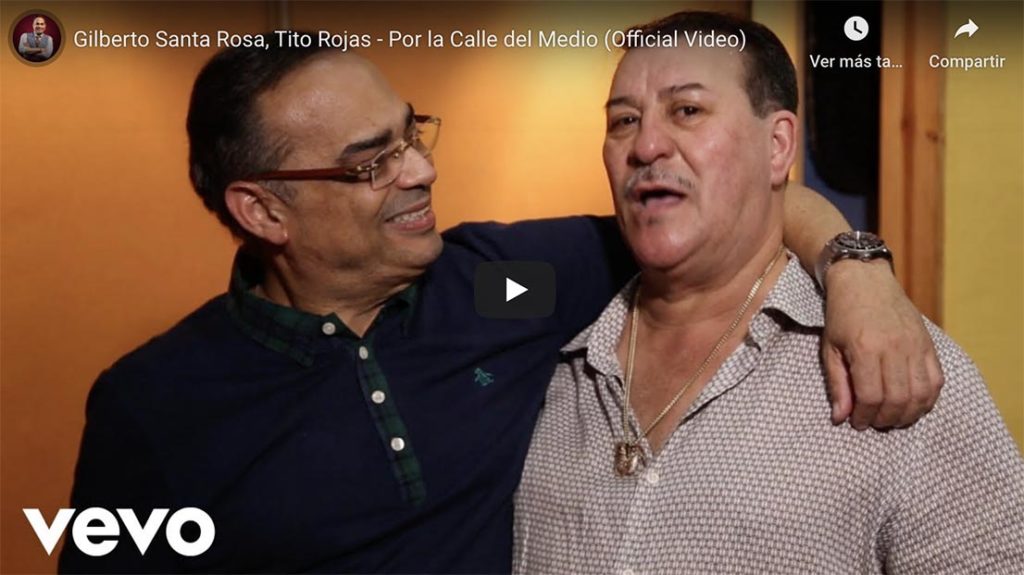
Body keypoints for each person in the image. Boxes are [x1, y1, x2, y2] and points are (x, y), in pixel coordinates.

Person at [60, 33, 942, 573]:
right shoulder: (156, 405)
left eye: (412, 133)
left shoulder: (496, 284)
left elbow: (724, 203)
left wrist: (856, 266)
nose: (421, 170)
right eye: (373, 162)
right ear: (262, 210)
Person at [513, 11, 1024, 574]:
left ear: (778, 145)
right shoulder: (544, 341)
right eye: (624, 120)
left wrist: (856, 267)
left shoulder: (894, 367)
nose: (646, 144)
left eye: (687, 110)